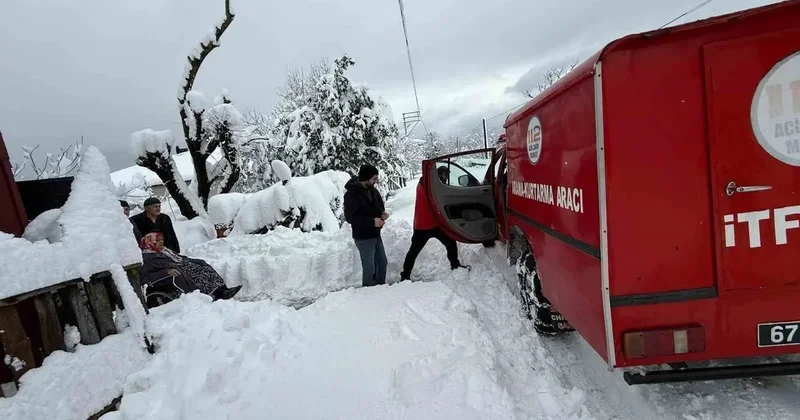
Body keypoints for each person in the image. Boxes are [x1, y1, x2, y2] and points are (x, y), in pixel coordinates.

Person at [400, 166, 469, 281]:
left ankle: (405, 275)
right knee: (415, 250)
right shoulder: (428, 184)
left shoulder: (428, 183)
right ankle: (405, 275)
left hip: (430, 224)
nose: (445, 178)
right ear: (438, 175)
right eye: (443, 175)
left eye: (446, 175)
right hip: (426, 224)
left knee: (449, 243)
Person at [139, 232, 241, 301]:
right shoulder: (147, 258)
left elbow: (180, 258)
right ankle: (217, 294)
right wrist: (166, 272)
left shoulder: (165, 250)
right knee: (195, 273)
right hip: (173, 273)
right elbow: (145, 277)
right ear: (150, 243)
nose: (162, 242)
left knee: (203, 266)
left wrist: (194, 261)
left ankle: (223, 289)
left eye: (162, 239)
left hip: (182, 265)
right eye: (158, 240)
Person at [344, 164, 389, 287]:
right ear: (366, 177)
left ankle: (381, 288)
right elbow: (350, 218)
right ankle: (368, 293)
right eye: (374, 178)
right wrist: (372, 222)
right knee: (369, 268)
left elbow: (379, 207)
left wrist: (382, 214)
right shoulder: (351, 194)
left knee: (382, 263)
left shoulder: (373, 190)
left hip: (376, 234)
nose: (376, 181)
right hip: (363, 237)